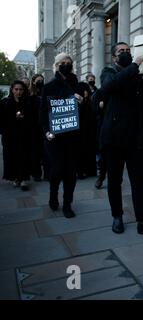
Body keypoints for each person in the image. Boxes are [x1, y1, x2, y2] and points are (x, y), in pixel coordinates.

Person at [100, 42, 143, 236]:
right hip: (114, 139)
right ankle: (117, 216)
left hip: (135, 139)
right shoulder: (108, 72)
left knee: (139, 182)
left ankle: (142, 220)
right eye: (121, 51)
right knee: (115, 180)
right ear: (114, 57)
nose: (126, 53)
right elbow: (110, 86)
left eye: (128, 51)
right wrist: (134, 66)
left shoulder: (137, 78)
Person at [40, 53, 84, 218]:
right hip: (55, 138)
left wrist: (81, 103)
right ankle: (53, 195)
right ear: (57, 66)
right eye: (63, 63)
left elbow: (86, 114)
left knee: (70, 173)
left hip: (73, 138)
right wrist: (46, 132)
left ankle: (67, 204)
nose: (66, 65)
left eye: (69, 62)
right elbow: (43, 113)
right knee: (56, 170)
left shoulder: (78, 86)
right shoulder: (49, 87)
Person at [0, 80, 33, 191]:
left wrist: (24, 118)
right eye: (16, 89)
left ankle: (23, 179)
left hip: (24, 135)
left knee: (23, 156)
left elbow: (32, 119)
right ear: (12, 90)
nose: (18, 92)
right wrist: (13, 118)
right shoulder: (5, 102)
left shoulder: (27, 102)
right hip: (9, 136)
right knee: (11, 157)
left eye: (21, 89)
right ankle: (15, 178)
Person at [29, 74, 46, 182]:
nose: (40, 82)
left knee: (44, 151)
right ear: (34, 82)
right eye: (38, 80)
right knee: (35, 151)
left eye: (42, 80)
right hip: (34, 126)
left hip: (43, 126)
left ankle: (47, 172)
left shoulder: (46, 91)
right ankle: (36, 173)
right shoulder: (30, 95)